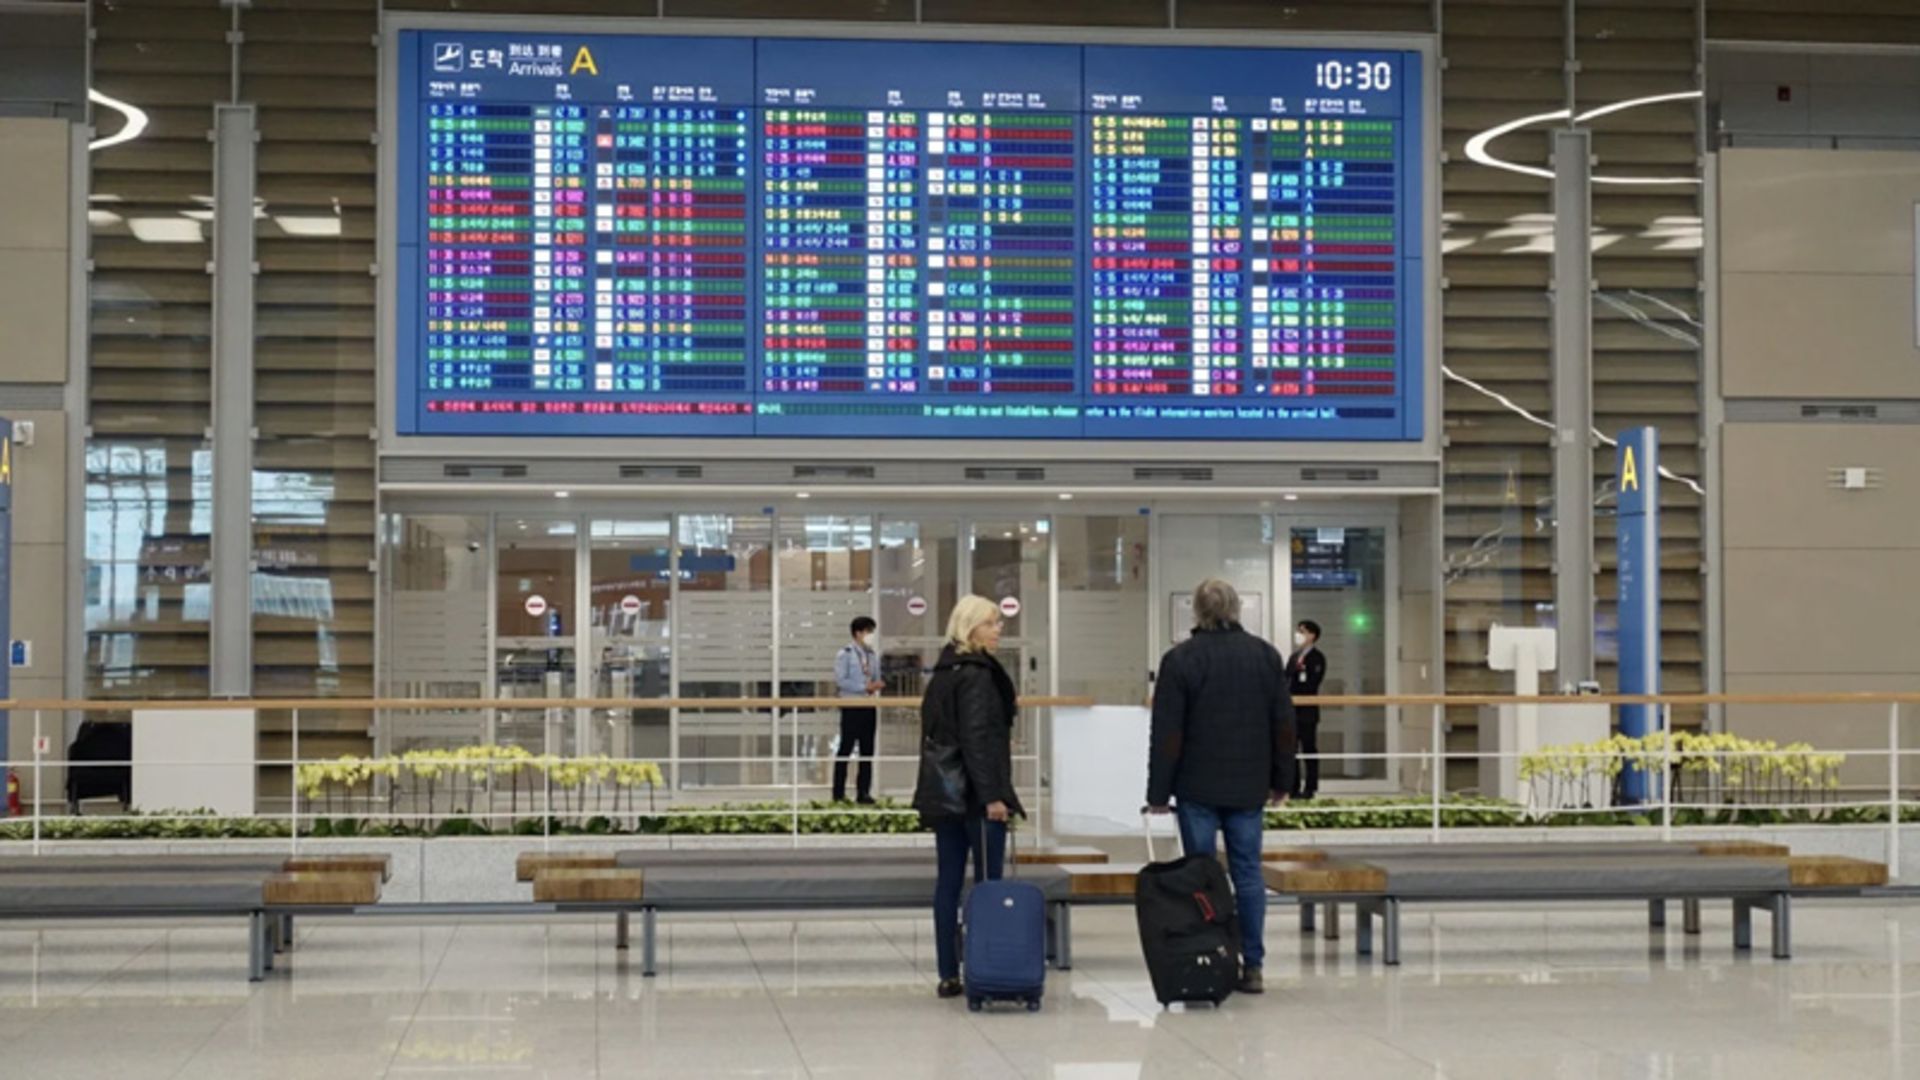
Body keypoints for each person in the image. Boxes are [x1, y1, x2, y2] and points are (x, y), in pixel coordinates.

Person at [1146, 579, 1296, 995]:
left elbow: (1168, 733)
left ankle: (1209, 955)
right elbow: (1284, 725)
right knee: (1248, 874)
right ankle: (1253, 964)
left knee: (1200, 874)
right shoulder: (1265, 656)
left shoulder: (1181, 660)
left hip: (1197, 785)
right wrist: (1283, 780)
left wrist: (1158, 792)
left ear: (1197, 611)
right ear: (1237, 610)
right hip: (1249, 786)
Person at [912, 595, 1024, 1000]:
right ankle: (988, 964)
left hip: (945, 795)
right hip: (977, 797)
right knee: (989, 884)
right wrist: (994, 796)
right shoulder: (977, 675)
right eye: (991, 623)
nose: (999, 629)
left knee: (948, 883)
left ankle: (948, 971)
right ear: (970, 628)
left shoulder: (943, 671)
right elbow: (977, 740)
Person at [833, 616, 884, 804]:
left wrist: (877, 685)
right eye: (869, 632)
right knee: (845, 749)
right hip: (851, 705)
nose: (871, 636)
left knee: (867, 750)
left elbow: (876, 677)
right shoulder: (845, 654)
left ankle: (863, 792)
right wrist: (864, 687)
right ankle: (838, 793)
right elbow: (841, 680)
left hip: (869, 706)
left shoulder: (872, 655)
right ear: (858, 633)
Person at [1287, 619, 1328, 801]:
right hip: (1291, 710)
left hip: (1307, 711)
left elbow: (1312, 683)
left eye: (1302, 631)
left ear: (1312, 635)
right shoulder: (1294, 657)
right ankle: (1293, 786)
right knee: (1291, 749)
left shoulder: (1317, 658)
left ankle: (1310, 787)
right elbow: (1285, 678)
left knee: (1309, 748)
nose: (1299, 635)